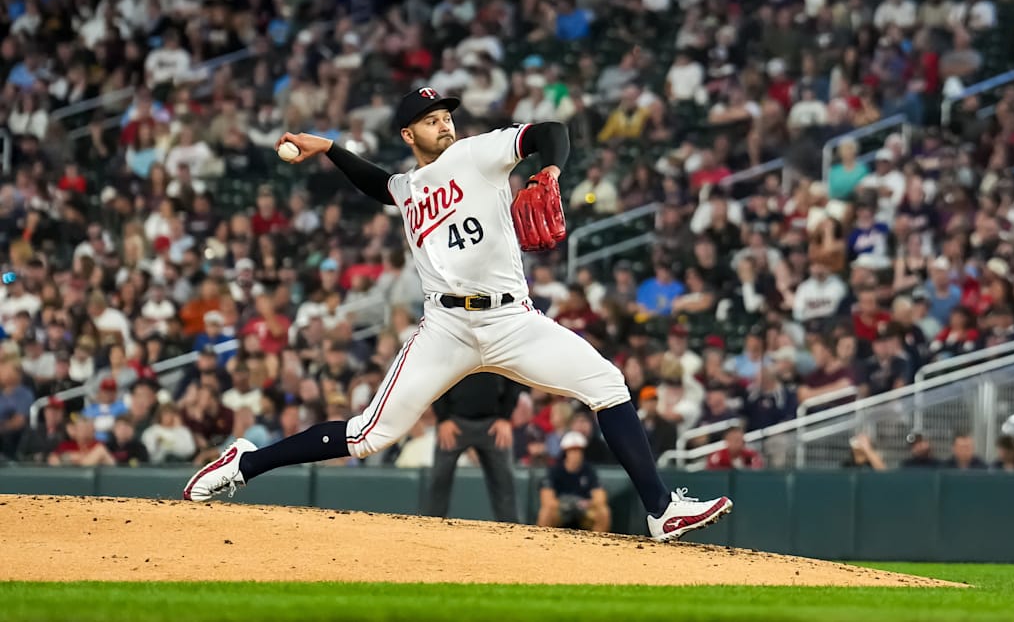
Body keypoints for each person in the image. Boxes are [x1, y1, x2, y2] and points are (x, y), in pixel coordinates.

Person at [183, 95, 732, 542]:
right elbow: (380, 184)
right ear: (408, 135)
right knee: (369, 435)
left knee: (609, 384)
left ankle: (661, 510)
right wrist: (328, 147)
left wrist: (551, 171)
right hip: (444, 328)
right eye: (431, 120)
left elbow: (551, 129)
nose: (444, 124)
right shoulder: (408, 187)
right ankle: (244, 463)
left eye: (446, 116)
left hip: (511, 321)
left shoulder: (477, 153)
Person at [425, 372, 522, 523]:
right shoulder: (453, 348)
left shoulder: (498, 347)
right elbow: (436, 378)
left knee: (505, 483)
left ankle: (513, 534)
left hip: (494, 423)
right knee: (439, 479)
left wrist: (505, 417)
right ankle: (428, 530)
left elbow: (514, 378)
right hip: (453, 422)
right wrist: (443, 417)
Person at [537, 431, 612, 532]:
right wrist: (566, 504)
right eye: (572, 450)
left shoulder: (588, 470)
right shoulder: (555, 471)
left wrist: (585, 504)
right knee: (545, 512)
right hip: (562, 509)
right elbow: (547, 500)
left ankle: (598, 545)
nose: (576, 454)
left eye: (579, 450)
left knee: (603, 512)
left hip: (584, 509)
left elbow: (600, 498)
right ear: (565, 452)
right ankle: (542, 544)